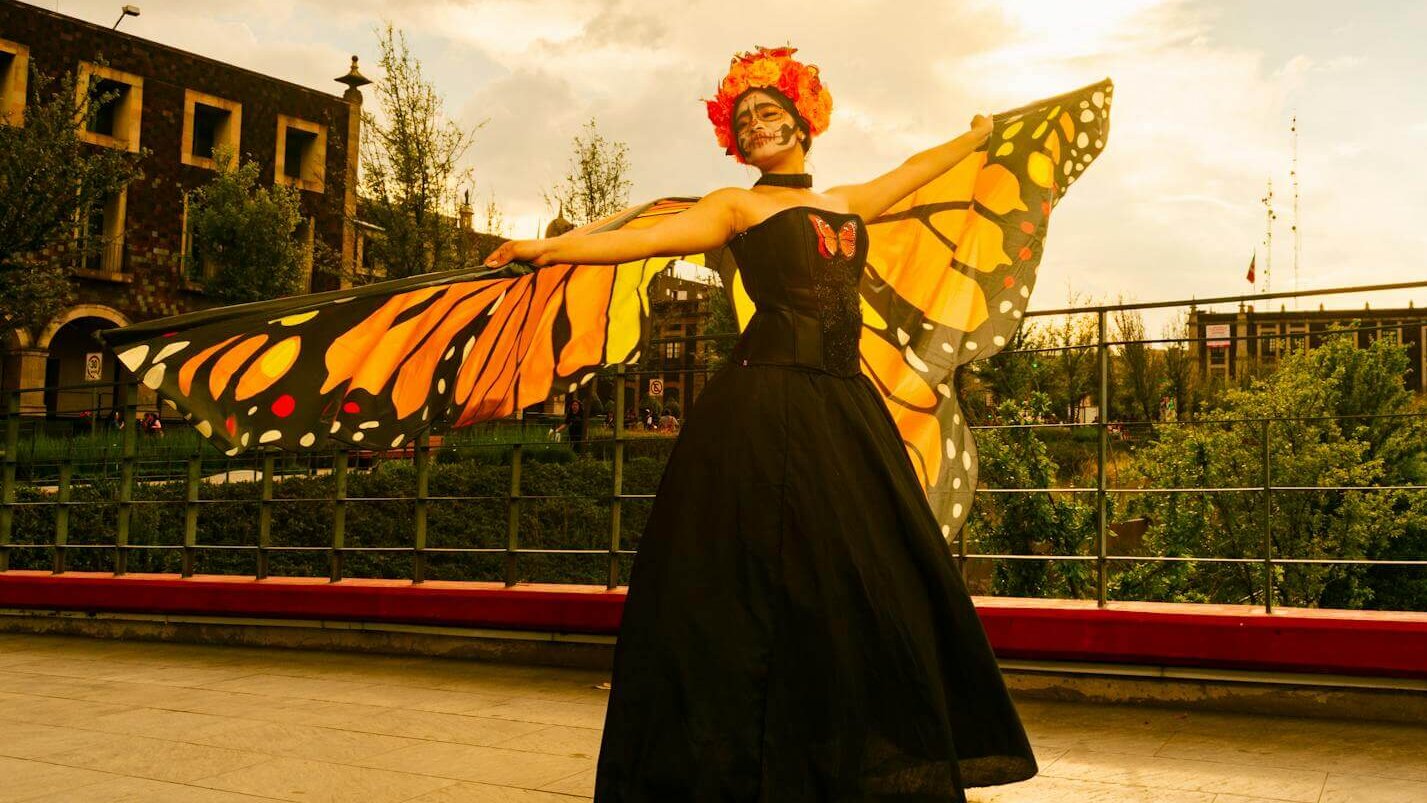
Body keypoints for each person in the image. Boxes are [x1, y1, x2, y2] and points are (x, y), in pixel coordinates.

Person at [484, 45, 1040, 802]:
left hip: (842, 406)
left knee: (860, 574)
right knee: (751, 581)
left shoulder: (847, 201)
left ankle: (838, 748)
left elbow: (916, 169)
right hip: (763, 402)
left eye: (768, 111)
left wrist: (976, 137)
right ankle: (742, 762)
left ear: (802, 121)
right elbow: (639, 240)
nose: (755, 125)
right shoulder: (734, 207)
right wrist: (549, 247)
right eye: (742, 120)